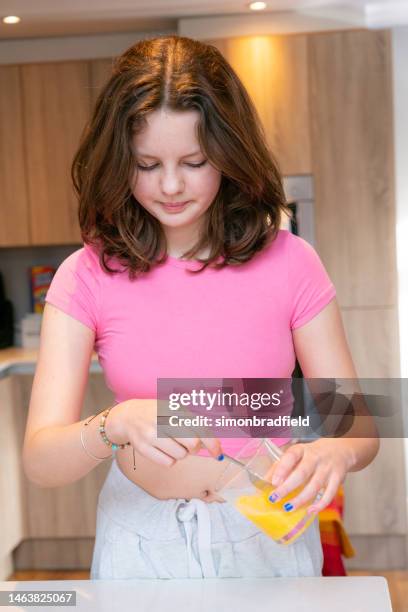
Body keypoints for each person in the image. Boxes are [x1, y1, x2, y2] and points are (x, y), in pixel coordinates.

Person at [22, 35, 379, 580]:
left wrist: (335, 453)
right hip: (141, 542)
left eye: (193, 161)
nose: (169, 186)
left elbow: (354, 427)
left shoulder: (291, 262)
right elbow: (42, 461)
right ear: (119, 161)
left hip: (267, 533)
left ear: (230, 155)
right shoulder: (86, 275)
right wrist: (114, 423)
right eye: (146, 164)